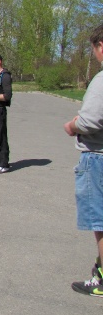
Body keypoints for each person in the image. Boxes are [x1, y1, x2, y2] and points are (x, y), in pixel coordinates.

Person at [64, 23, 103, 298]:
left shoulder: (101, 80)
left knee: (100, 222)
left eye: (95, 48)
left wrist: (72, 125)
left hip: (98, 156)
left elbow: (91, 120)